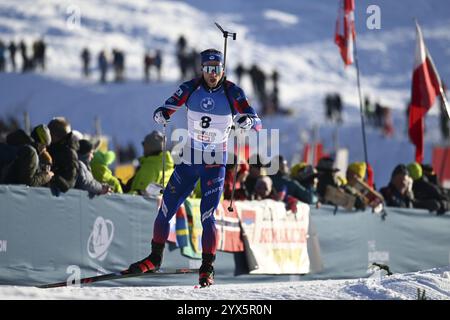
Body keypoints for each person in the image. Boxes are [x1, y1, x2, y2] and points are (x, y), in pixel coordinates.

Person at [127, 48, 262, 287]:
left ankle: (207, 267)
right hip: (189, 160)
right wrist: (161, 114)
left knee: (207, 216)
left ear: (223, 69)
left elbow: (257, 121)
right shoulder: (190, 87)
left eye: (217, 69)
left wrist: (248, 120)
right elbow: (167, 107)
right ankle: (154, 258)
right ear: (202, 69)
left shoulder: (232, 91)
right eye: (208, 69)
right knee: (165, 209)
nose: (212, 74)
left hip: (214, 164)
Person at [127, 130, 174, 195]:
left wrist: (118, 198)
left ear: (150, 147)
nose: (143, 147)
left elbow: (139, 196)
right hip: (160, 204)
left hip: (146, 205)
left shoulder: (150, 167)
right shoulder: (167, 165)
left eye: (144, 144)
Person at [47, 117, 79, 193]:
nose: (48, 137)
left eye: (51, 134)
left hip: (58, 197)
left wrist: (53, 177)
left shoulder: (69, 154)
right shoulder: (48, 148)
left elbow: (69, 182)